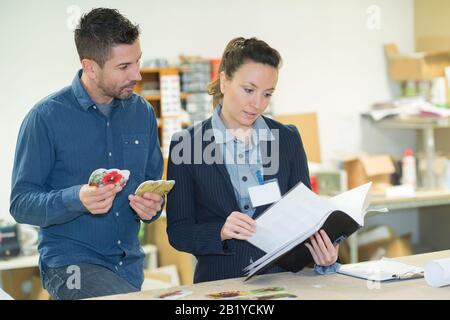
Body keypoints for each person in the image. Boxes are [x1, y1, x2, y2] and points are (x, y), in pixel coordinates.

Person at [9, 8, 164, 299]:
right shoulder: (45, 118)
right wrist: (76, 198)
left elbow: (153, 184)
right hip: (70, 268)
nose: (137, 74)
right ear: (90, 67)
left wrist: (153, 205)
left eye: (138, 61)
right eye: (124, 67)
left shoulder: (142, 112)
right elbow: (21, 204)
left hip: (128, 267)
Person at [166, 37, 340, 283]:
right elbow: (179, 231)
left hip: (282, 282)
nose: (257, 104)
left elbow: (304, 217)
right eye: (248, 90)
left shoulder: (286, 139)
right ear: (224, 81)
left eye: (267, 94)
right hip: (219, 284)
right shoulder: (186, 145)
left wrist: (325, 253)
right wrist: (220, 231)